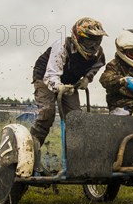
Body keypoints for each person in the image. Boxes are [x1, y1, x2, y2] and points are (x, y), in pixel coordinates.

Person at [30, 17, 107, 147]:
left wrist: (87, 78)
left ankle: (74, 158)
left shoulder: (98, 53)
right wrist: (59, 87)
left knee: (75, 119)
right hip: (45, 76)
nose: (94, 46)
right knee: (47, 114)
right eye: (90, 42)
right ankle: (30, 150)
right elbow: (51, 75)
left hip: (69, 81)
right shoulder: (61, 46)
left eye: (97, 42)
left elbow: (98, 64)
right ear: (78, 38)